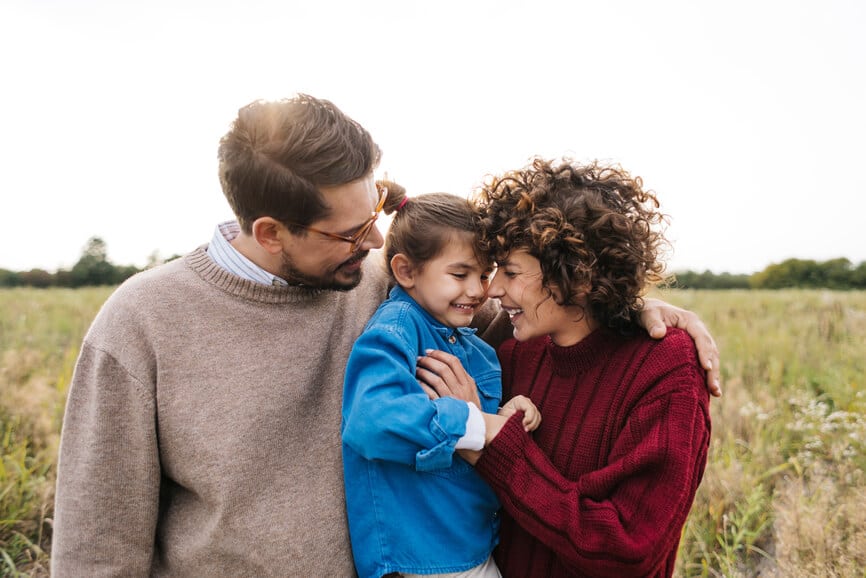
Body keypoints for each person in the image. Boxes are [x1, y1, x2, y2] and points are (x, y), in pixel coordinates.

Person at [51, 94, 719, 576]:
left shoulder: (392, 285)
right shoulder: (141, 323)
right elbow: (97, 546)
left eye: (374, 210)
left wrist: (634, 305)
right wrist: (480, 430)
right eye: (350, 231)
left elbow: (546, 310)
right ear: (270, 233)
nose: (374, 239)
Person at [417, 158, 712, 577]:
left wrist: (490, 444)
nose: (493, 288)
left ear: (577, 276)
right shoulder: (508, 353)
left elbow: (629, 550)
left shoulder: (666, 368)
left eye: (512, 272)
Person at [341, 188, 541, 578]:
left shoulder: (471, 346)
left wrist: (502, 416)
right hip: (420, 557)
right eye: (460, 274)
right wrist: (479, 424)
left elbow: (466, 436)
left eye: (483, 275)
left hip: (470, 544)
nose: (477, 290)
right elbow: (373, 421)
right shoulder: (397, 330)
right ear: (407, 271)